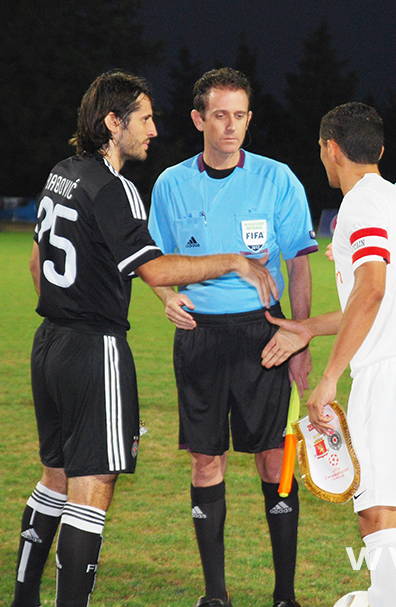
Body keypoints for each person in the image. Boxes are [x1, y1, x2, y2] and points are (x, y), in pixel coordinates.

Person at [11, 69, 278, 607]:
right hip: (93, 348)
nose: (153, 131)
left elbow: (37, 262)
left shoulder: (61, 173)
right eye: (145, 119)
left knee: (54, 477)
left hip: (49, 342)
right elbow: (155, 271)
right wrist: (233, 262)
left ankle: (24, 598)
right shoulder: (116, 190)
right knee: (94, 483)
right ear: (113, 123)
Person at [261, 102, 396, 607]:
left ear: (331, 150)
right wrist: (310, 327)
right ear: (378, 149)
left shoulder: (360, 205)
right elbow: (388, 299)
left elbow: (371, 290)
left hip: (392, 379)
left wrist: (330, 377)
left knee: (378, 515)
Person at [147, 67, 317, 607]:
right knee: (206, 461)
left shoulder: (277, 179)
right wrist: (167, 298)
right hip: (199, 336)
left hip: (262, 333)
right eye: (219, 115)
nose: (230, 126)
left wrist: (301, 337)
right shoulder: (172, 183)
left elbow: (300, 264)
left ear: (249, 118)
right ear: (198, 119)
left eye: (239, 115)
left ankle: (285, 594)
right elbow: (156, 264)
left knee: (273, 458)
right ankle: (216, 594)